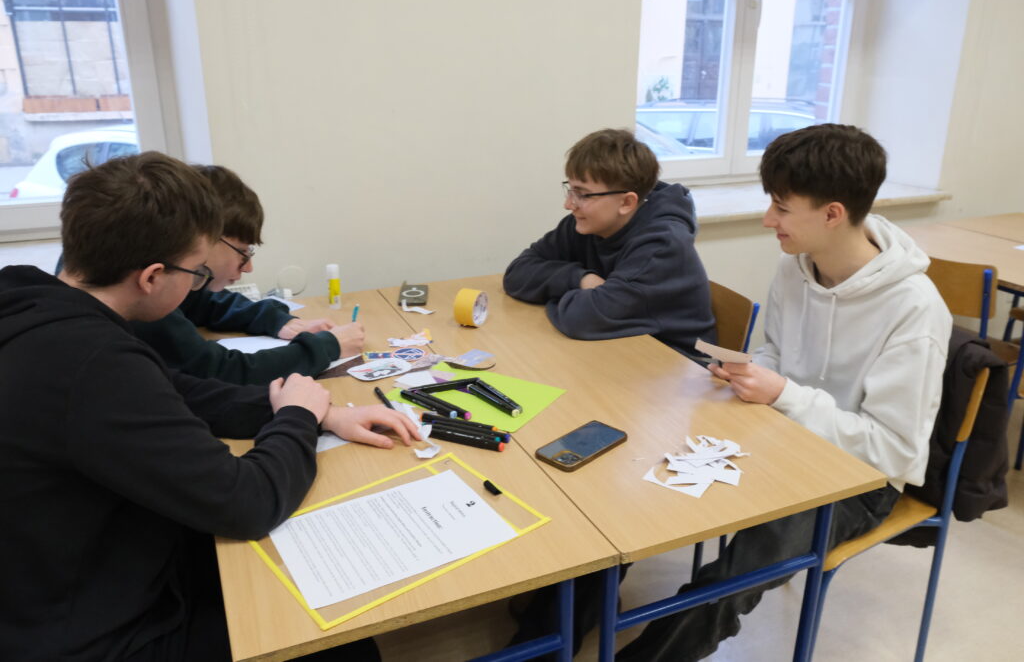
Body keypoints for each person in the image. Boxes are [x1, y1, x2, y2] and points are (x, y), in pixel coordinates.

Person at [0, 152, 419, 661]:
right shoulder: (93, 364)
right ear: (153, 277)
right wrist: (297, 420)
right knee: (341, 642)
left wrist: (322, 413)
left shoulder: (35, 300)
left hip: (59, 580)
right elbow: (248, 504)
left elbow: (176, 389)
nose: (200, 284)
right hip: (92, 636)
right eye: (198, 272)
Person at [616, 124, 953, 661]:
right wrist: (751, 372)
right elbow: (775, 350)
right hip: (782, 434)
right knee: (642, 464)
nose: (768, 219)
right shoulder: (794, 266)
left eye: (781, 207)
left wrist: (784, 395)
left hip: (859, 479)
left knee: (736, 574)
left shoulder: (914, 310)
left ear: (832, 214)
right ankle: (573, 610)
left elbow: (893, 451)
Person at [129, 164, 363, 385]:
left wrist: (277, 321)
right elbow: (223, 371)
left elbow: (205, 304)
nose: (248, 267)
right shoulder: (148, 302)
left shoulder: (166, 284)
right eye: (242, 252)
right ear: (205, 238)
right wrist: (327, 347)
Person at [503, 128, 715, 358]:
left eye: (583, 194)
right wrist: (581, 279)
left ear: (626, 202)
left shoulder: (662, 246)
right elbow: (517, 273)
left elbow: (581, 319)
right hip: (619, 350)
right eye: (570, 190)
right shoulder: (586, 224)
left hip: (679, 363)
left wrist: (554, 292)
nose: (569, 204)